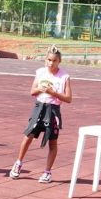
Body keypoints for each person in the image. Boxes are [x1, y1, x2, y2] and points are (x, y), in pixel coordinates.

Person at [9, 45, 73, 183]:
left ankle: (47, 172)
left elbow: (68, 98)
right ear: (45, 60)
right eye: (49, 60)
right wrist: (40, 88)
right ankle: (18, 163)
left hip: (53, 109)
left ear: (59, 61)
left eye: (54, 60)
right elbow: (32, 91)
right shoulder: (40, 72)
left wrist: (53, 93)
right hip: (39, 107)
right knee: (29, 135)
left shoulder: (65, 77)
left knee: (53, 141)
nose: (51, 63)